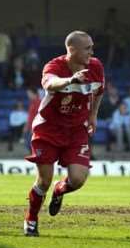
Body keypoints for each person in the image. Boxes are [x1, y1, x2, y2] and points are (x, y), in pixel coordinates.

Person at [23, 31, 104, 236]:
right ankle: (31, 219)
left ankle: (60, 190)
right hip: (48, 129)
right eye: (87, 48)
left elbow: (99, 91)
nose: (92, 52)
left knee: (77, 180)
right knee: (43, 181)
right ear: (72, 50)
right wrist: (71, 80)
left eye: (92, 47)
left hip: (76, 130)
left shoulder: (96, 66)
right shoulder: (53, 66)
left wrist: (93, 115)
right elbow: (50, 83)